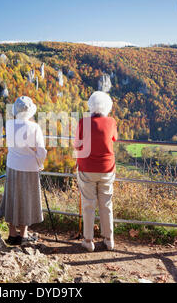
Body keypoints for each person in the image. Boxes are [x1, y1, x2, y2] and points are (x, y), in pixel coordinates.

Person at [0, 96, 47, 245]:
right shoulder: (35, 127)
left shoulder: (9, 124)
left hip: (13, 165)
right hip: (29, 167)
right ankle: (24, 235)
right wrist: (40, 163)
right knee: (27, 198)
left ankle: (12, 234)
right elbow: (41, 151)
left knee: (13, 197)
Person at [74, 91, 118, 252]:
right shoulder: (111, 122)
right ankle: (109, 239)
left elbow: (77, 145)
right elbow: (113, 138)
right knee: (106, 204)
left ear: (90, 105)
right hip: (107, 168)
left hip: (86, 168)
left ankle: (88, 240)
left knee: (88, 204)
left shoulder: (83, 122)